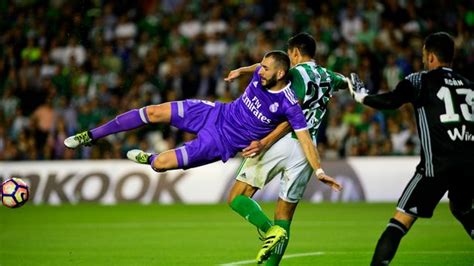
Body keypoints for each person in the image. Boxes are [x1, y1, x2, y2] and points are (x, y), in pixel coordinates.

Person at [64, 52, 342, 255]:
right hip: (212, 111)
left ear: (280, 74)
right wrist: (241, 71)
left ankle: (147, 159)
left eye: (267, 69)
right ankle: (90, 135)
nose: (261, 71)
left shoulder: (289, 105)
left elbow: (306, 140)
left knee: (160, 164)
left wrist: (318, 170)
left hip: (220, 143)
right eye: (262, 67)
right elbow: (258, 65)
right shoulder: (261, 74)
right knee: (153, 111)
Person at [348, 32, 473, 265]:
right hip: (469, 166)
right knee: (463, 210)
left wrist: (362, 97)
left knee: (400, 221)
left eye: (425, 54)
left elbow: (392, 101)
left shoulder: (419, 80)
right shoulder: (469, 85)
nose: (423, 58)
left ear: (432, 56)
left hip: (436, 166)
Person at [224, 33, 348, 265]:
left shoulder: (295, 73)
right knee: (285, 216)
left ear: (295, 54)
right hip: (306, 149)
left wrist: (265, 141)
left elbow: (289, 112)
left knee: (237, 197)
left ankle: (270, 231)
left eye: (289, 55)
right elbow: (345, 81)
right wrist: (353, 84)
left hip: (283, 141)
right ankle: (274, 248)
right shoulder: (328, 76)